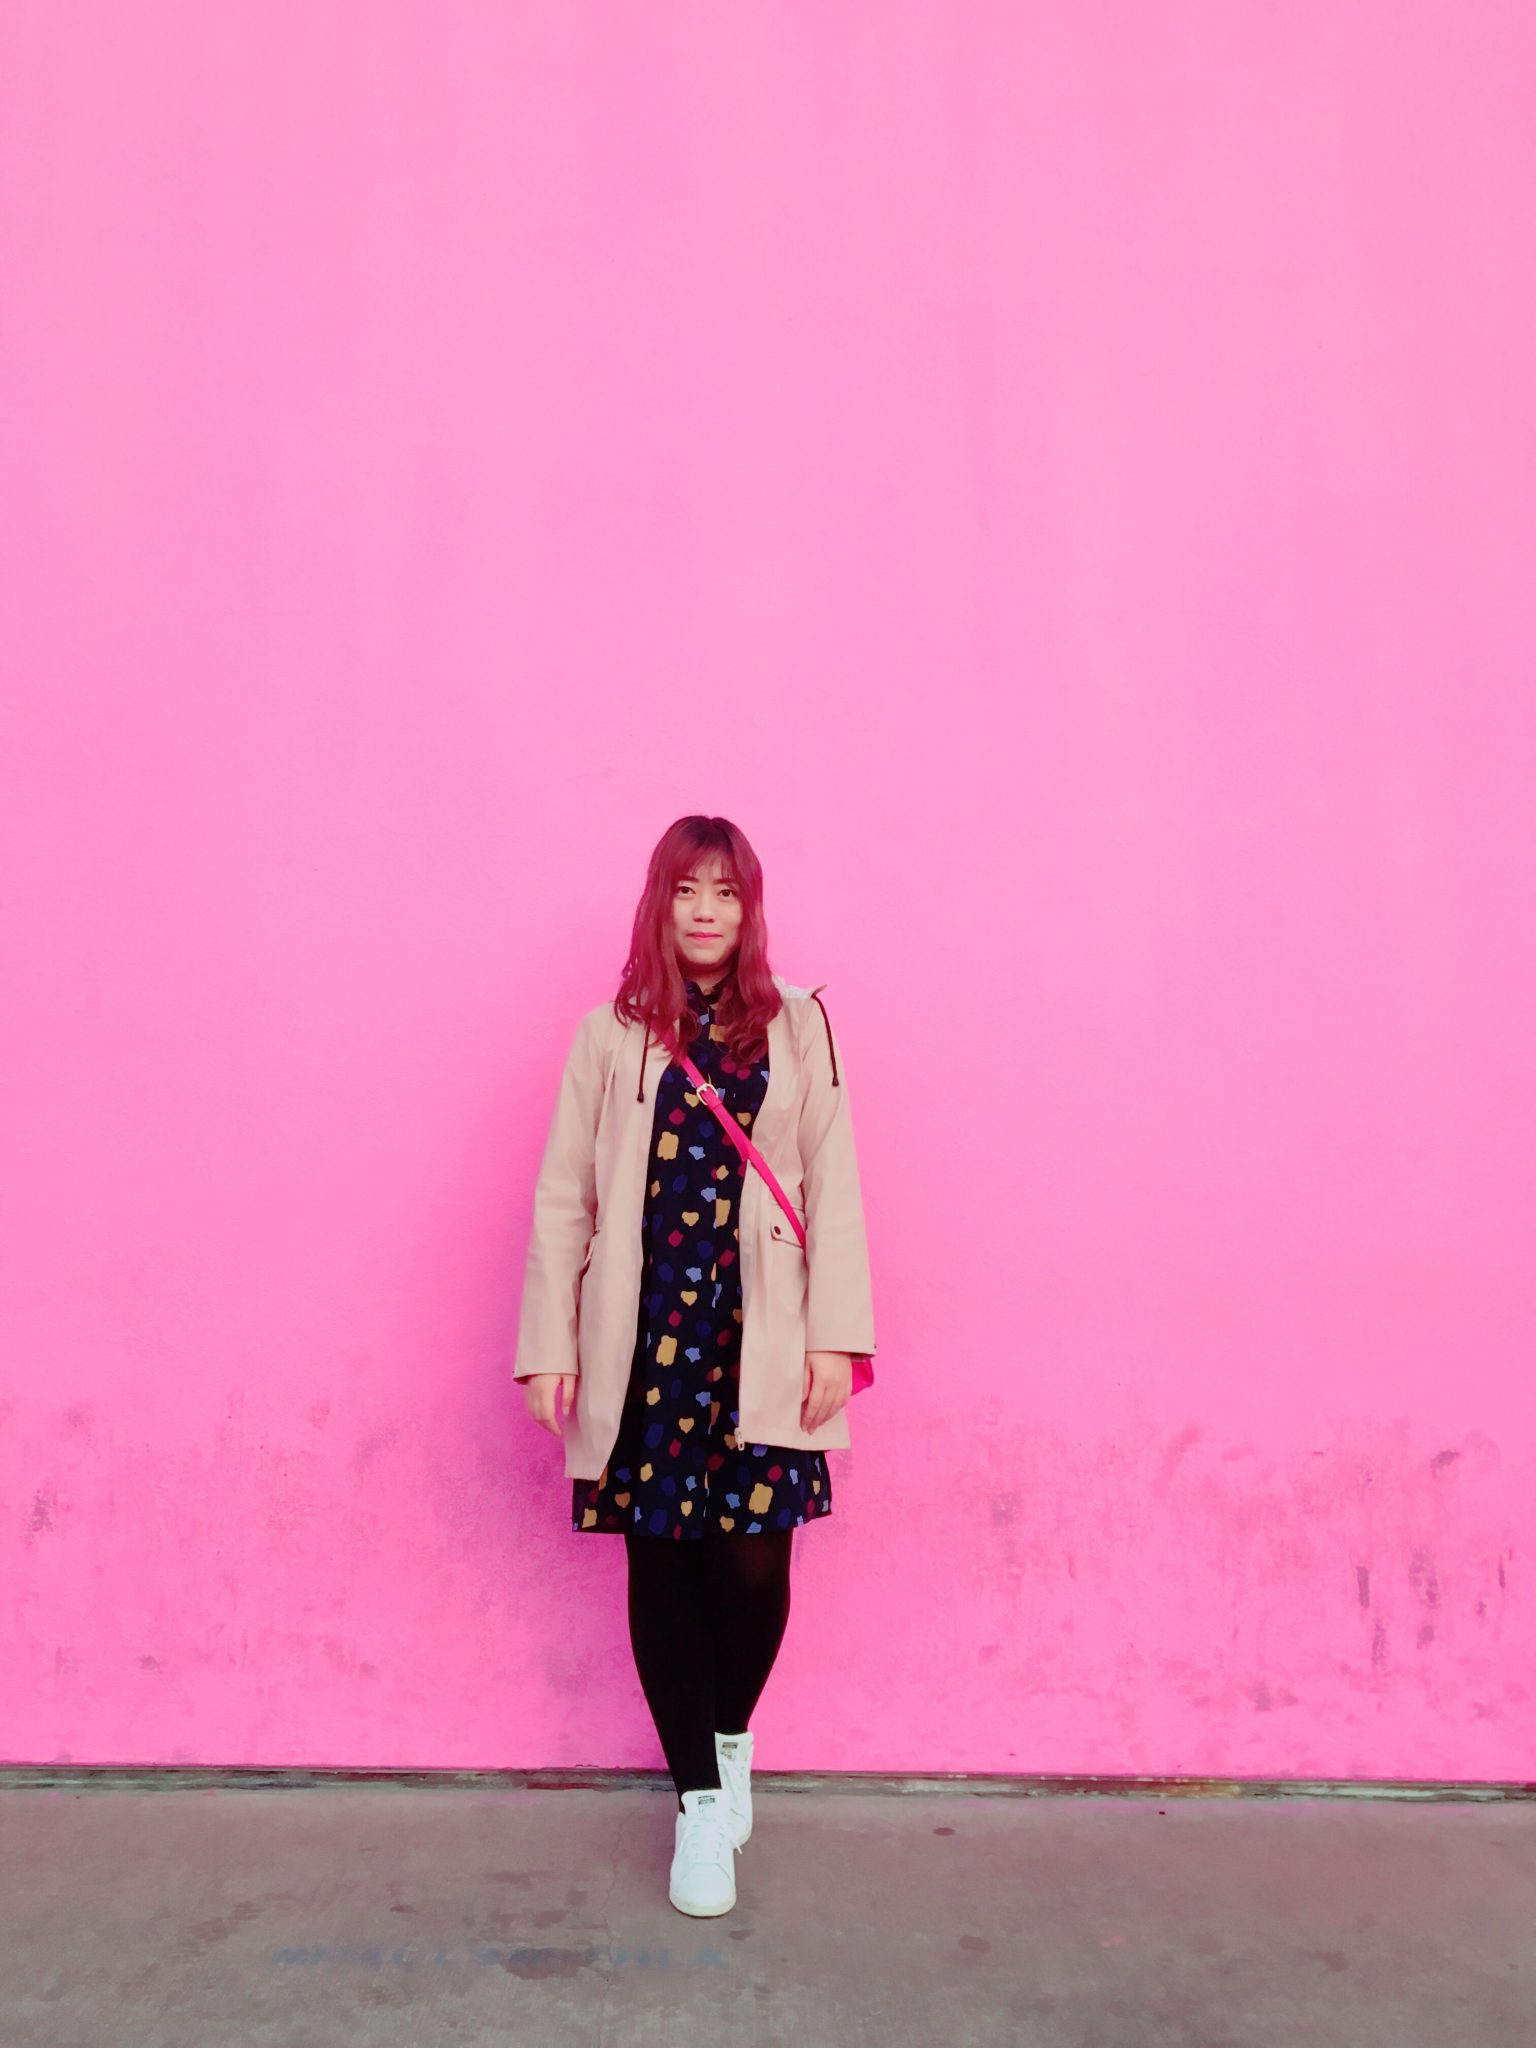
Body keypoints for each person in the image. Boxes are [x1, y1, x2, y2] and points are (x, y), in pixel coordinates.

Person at [513, 813, 876, 1917]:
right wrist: (549, 1344)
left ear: (748, 906)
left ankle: (728, 1738)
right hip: (644, 1339)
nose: (706, 909)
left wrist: (833, 1336)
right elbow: (564, 1195)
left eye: (725, 890)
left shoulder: (800, 1025)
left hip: (757, 1333)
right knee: (662, 1563)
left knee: (755, 1562)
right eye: (687, 890)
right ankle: (697, 1808)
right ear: (660, 905)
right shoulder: (609, 1034)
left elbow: (834, 1185)